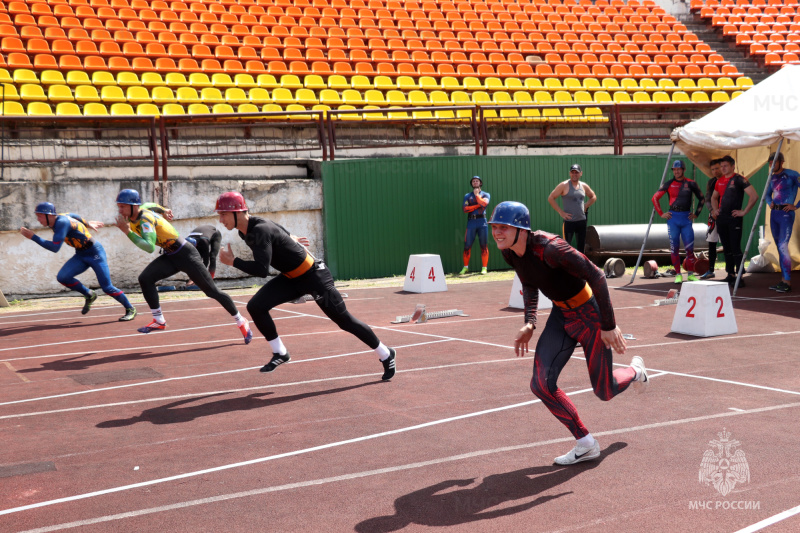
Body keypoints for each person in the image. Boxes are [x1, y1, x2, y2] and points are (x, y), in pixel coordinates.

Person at [489, 201, 648, 466]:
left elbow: (597, 276)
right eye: (494, 226)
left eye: (503, 227)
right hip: (561, 317)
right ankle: (586, 443)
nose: (497, 232)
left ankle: (635, 371)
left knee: (604, 391)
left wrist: (608, 325)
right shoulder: (509, 252)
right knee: (540, 384)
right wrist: (530, 322)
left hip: (589, 315)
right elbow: (529, 282)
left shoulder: (551, 248)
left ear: (522, 229)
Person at [214, 191, 397, 379]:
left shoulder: (260, 230)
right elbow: (280, 231)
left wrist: (233, 262)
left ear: (237, 212)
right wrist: (291, 239)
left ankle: (385, 353)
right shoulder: (246, 231)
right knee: (256, 306)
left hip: (314, 276)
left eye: (223, 214)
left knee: (344, 321)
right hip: (292, 278)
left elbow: (262, 270)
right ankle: (280, 353)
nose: (220, 219)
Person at [113, 188, 252, 341]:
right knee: (145, 278)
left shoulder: (145, 219)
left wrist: (127, 232)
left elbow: (149, 246)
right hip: (171, 255)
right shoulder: (141, 208)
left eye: (123, 206)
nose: (120, 210)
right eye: (119, 206)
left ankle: (241, 320)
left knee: (212, 292)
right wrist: (164, 210)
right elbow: (150, 204)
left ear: (134, 206)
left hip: (186, 254)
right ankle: (159, 320)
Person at [19, 202, 136, 321]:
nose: (38, 220)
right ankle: (89, 294)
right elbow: (73, 215)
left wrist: (33, 237)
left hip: (95, 253)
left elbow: (55, 247)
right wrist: (87, 223)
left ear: (49, 215)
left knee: (107, 287)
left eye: (40, 216)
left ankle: (130, 308)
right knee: (63, 277)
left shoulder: (61, 223)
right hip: (81, 254)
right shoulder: (59, 217)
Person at [652, 160, 705, 283]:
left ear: (683, 170)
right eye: (674, 170)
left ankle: (691, 274)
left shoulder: (691, 183)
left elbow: (701, 198)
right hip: (673, 219)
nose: (676, 171)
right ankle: (678, 274)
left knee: (689, 248)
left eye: (678, 169)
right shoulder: (669, 183)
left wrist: (696, 214)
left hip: (686, 218)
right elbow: (655, 198)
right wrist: (661, 214)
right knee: (674, 248)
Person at [710, 156, 758, 287]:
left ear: (732, 166)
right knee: (727, 248)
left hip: (734, 219)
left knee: (735, 247)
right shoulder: (719, 181)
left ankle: (739, 276)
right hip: (722, 219)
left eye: (725, 166)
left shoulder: (739, 179)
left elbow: (754, 196)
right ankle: (730, 274)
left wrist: (744, 212)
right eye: (722, 166)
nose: (723, 168)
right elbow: (714, 198)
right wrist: (715, 210)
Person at [763, 152, 800, 293]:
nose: (771, 165)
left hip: (786, 214)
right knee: (779, 246)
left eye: (774, 162)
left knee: (783, 245)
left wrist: (796, 206)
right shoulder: (771, 178)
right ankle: (783, 280)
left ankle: (788, 282)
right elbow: (766, 195)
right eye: (770, 163)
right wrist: (769, 202)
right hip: (774, 214)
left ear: (781, 162)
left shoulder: (792, 174)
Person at [547, 163, 596, 254]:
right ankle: (566, 267)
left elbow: (593, 197)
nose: (574, 174)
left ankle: (580, 267)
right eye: (572, 172)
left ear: (581, 173)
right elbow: (551, 198)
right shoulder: (564, 185)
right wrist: (561, 212)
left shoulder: (583, 186)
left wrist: (585, 206)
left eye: (576, 172)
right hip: (569, 222)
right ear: (570, 173)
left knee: (581, 247)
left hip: (581, 221)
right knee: (566, 247)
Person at [459, 176, 491, 275]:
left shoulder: (486, 194)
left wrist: (477, 196)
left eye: (477, 181)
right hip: (471, 222)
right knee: (467, 246)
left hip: (483, 222)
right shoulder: (467, 196)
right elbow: (465, 209)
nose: (475, 182)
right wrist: (478, 205)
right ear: (472, 184)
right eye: (473, 181)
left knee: (483, 246)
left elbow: (484, 204)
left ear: (480, 183)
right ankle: (465, 268)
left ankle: (484, 268)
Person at [700, 158, 723, 279]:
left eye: (717, 168)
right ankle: (710, 270)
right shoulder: (711, 182)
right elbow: (708, 199)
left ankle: (737, 268)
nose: (715, 171)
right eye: (713, 169)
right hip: (713, 216)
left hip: (726, 215)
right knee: (711, 242)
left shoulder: (729, 180)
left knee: (730, 242)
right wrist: (712, 211)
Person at [184, 225, 222, 289]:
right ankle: (192, 279)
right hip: (200, 237)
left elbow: (206, 261)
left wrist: (200, 279)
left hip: (215, 234)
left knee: (212, 256)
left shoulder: (204, 242)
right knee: (196, 259)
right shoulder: (185, 242)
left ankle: (210, 280)